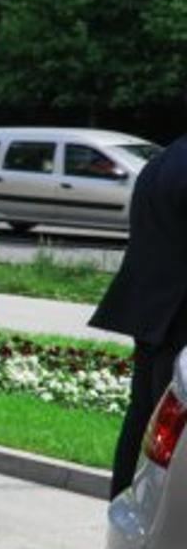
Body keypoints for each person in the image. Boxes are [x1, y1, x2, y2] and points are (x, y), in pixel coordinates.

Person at [91, 130, 187, 497]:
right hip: (178, 318)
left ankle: (121, 534)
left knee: (142, 423)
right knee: (168, 441)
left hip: (153, 313)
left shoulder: (163, 160)